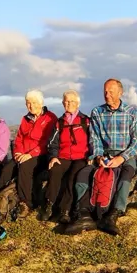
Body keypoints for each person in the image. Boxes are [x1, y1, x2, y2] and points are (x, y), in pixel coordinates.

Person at [65, 78, 137, 236]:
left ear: (120, 93)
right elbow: (95, 139)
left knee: (125, 176)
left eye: (111, 91)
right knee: (84, 174)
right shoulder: (97, 112)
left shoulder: (132, 111)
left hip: (124, 154)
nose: (107, 95)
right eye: (105, 91)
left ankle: (114, 214)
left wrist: (121, 158)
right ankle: (83, 213)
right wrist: (99, 156)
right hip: (105, 153)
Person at [0, 89, 58, 219]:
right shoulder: (26, 119)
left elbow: (48, 141)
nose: (31, 106)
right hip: (24, 153)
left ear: (41, 103)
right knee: (7, 168)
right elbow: (19, 138)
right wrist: (18, 152)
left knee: (25, 167)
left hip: (42, 154)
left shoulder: (50, 118)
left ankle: (26, 203)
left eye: (34, 103)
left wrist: (31, 154)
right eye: (28, 103)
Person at [42, 90, 91, 223]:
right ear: (63, 103)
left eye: (72, 101)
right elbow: (52, 143)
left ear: (78, 103)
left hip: (81, 157)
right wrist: (53, 156)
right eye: (66, 101)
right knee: (54, 170)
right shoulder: (59, 123)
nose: (68, 104)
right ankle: (49, 205)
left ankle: (65, 210)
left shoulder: (85, 121)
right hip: (63, 157)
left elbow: (93, 140)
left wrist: (91, 156)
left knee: (72, 177)